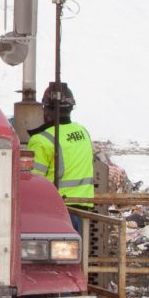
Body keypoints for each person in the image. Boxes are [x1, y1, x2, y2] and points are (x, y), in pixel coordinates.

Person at [26, 81, 95, 210]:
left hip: (57, 209)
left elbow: (32, 184)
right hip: (85, 207)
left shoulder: (41, 140)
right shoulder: (83, 132)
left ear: (46, 110)